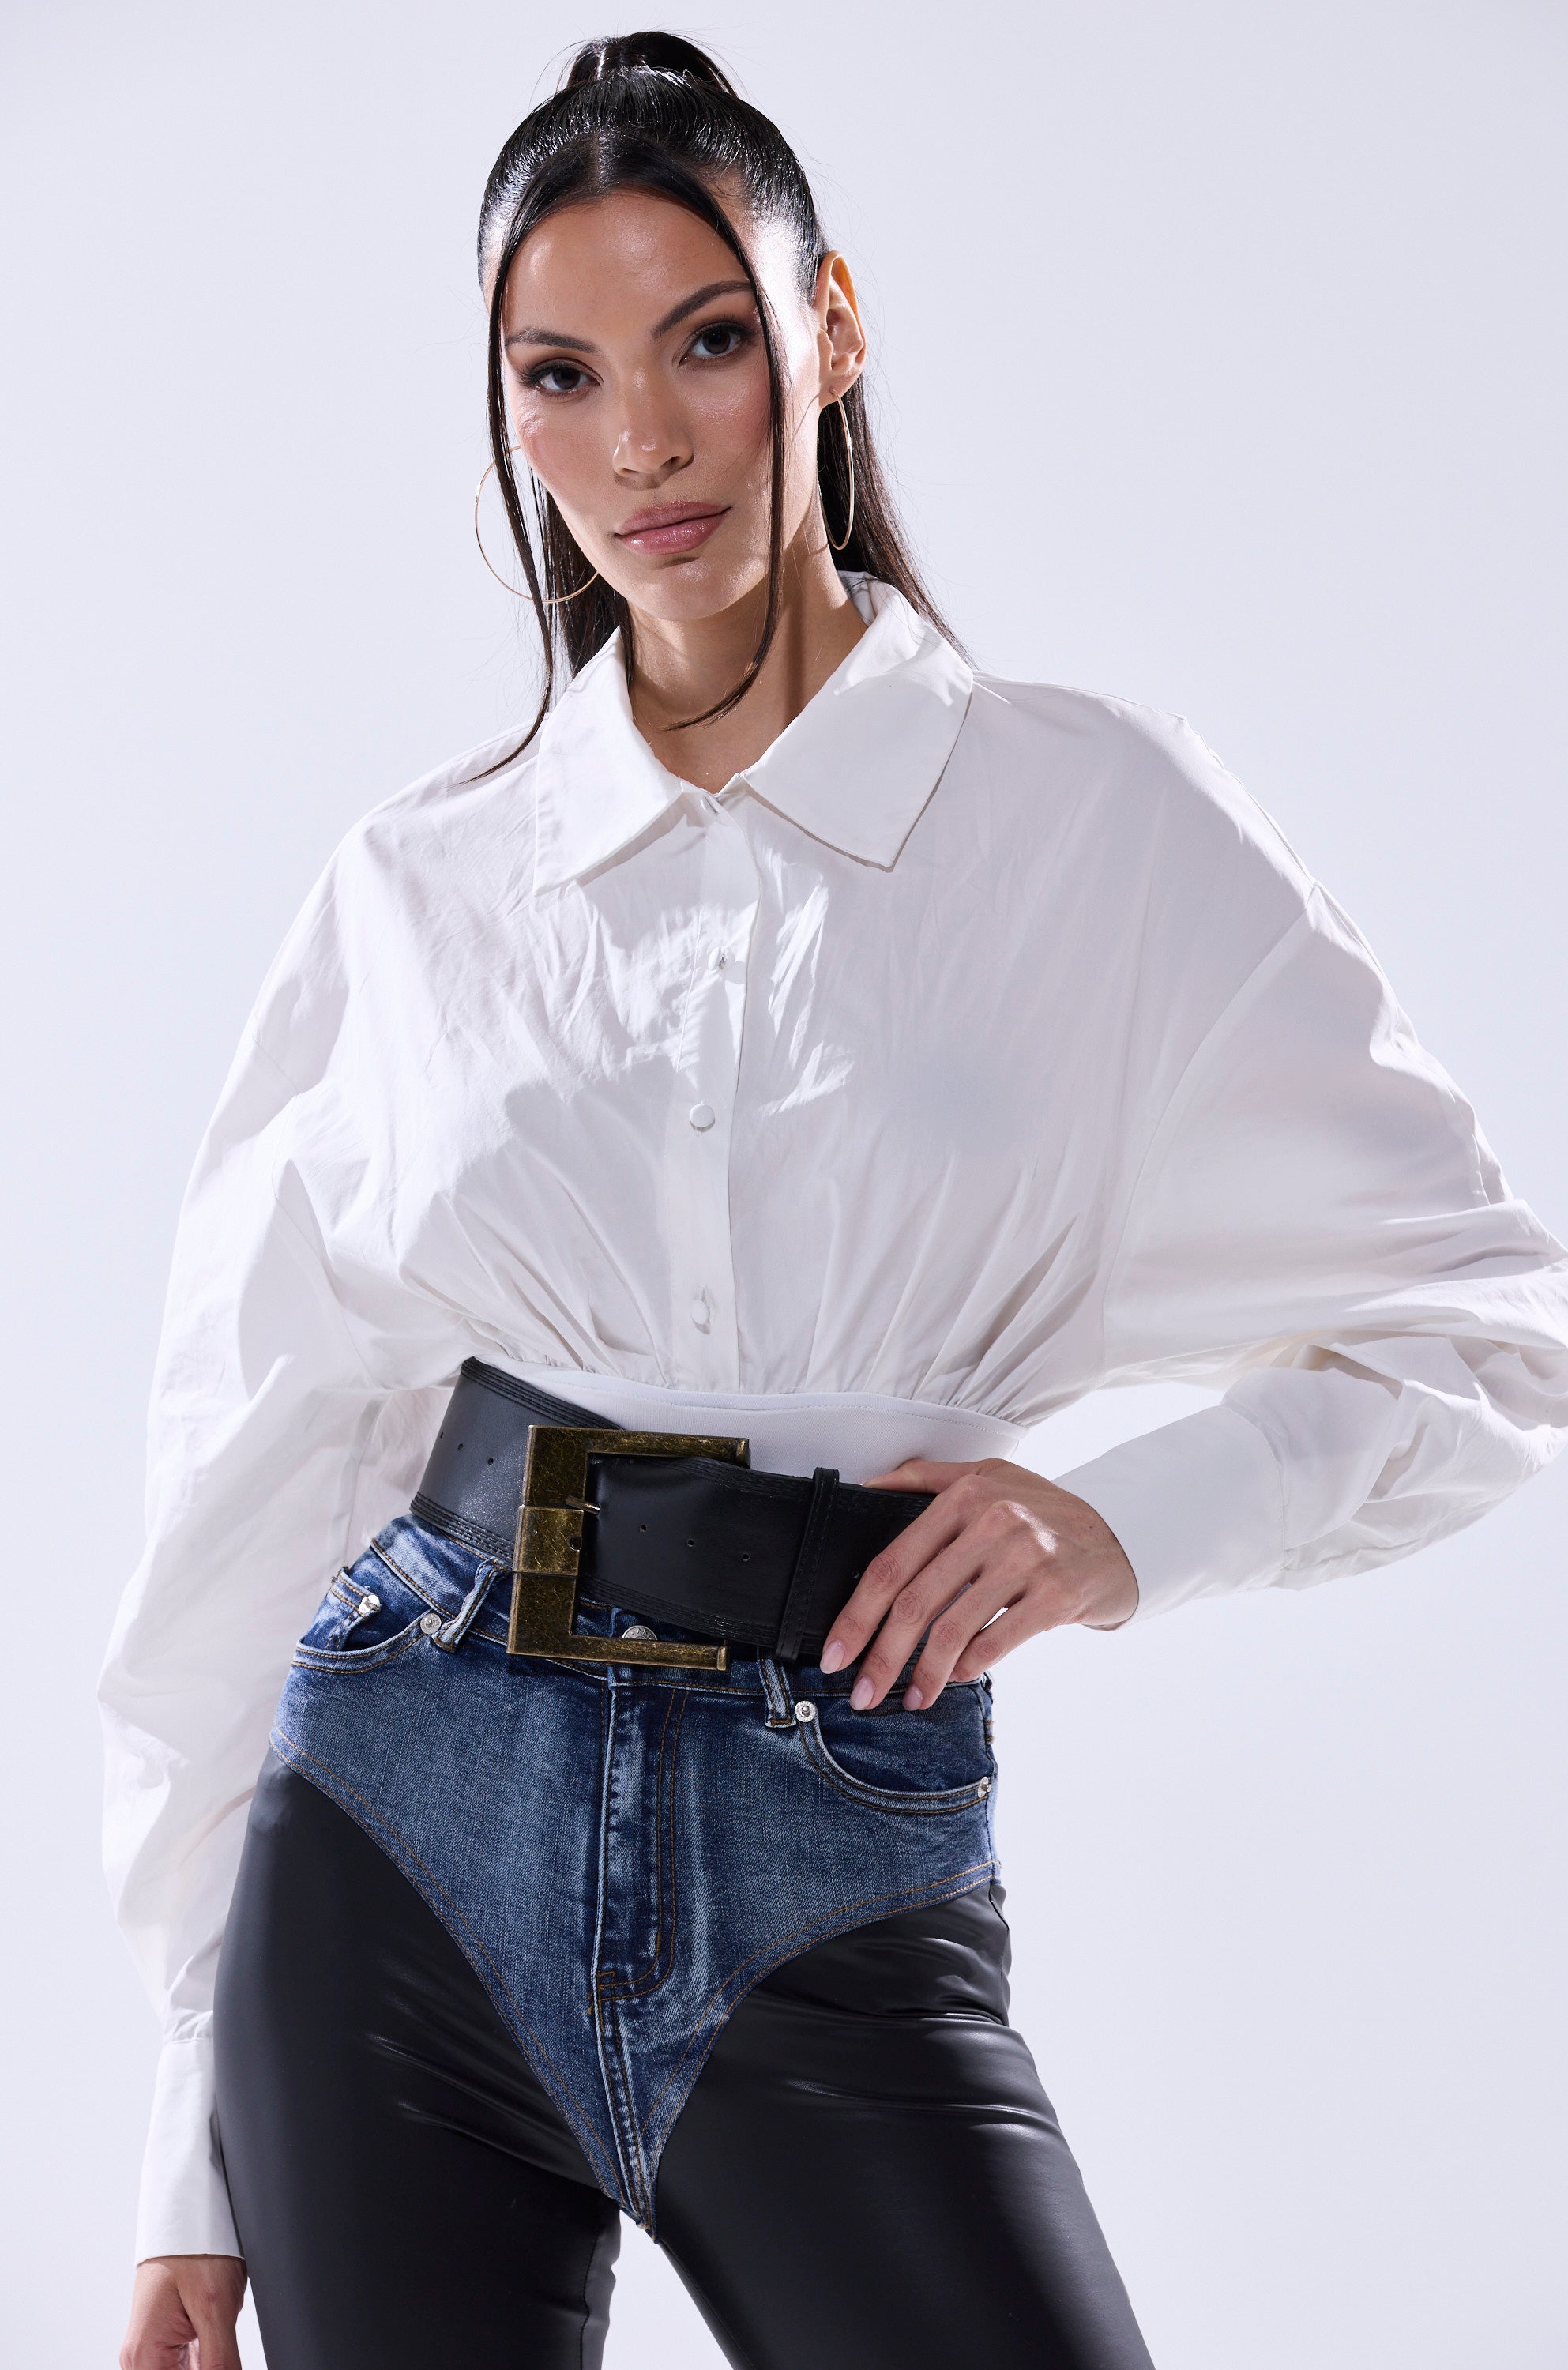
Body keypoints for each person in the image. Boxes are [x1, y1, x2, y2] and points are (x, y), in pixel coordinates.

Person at [105, 31, 1568, 2370]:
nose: (642, 444)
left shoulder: (1094, 826)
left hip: (829, 1852)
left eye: (705, 341)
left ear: (833, 327)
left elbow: (1492, 1324)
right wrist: (193, 2146)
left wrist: (1120, 1526)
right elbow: (255, 1475)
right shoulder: (420, 888)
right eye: (559, 377)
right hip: (392, 1850)